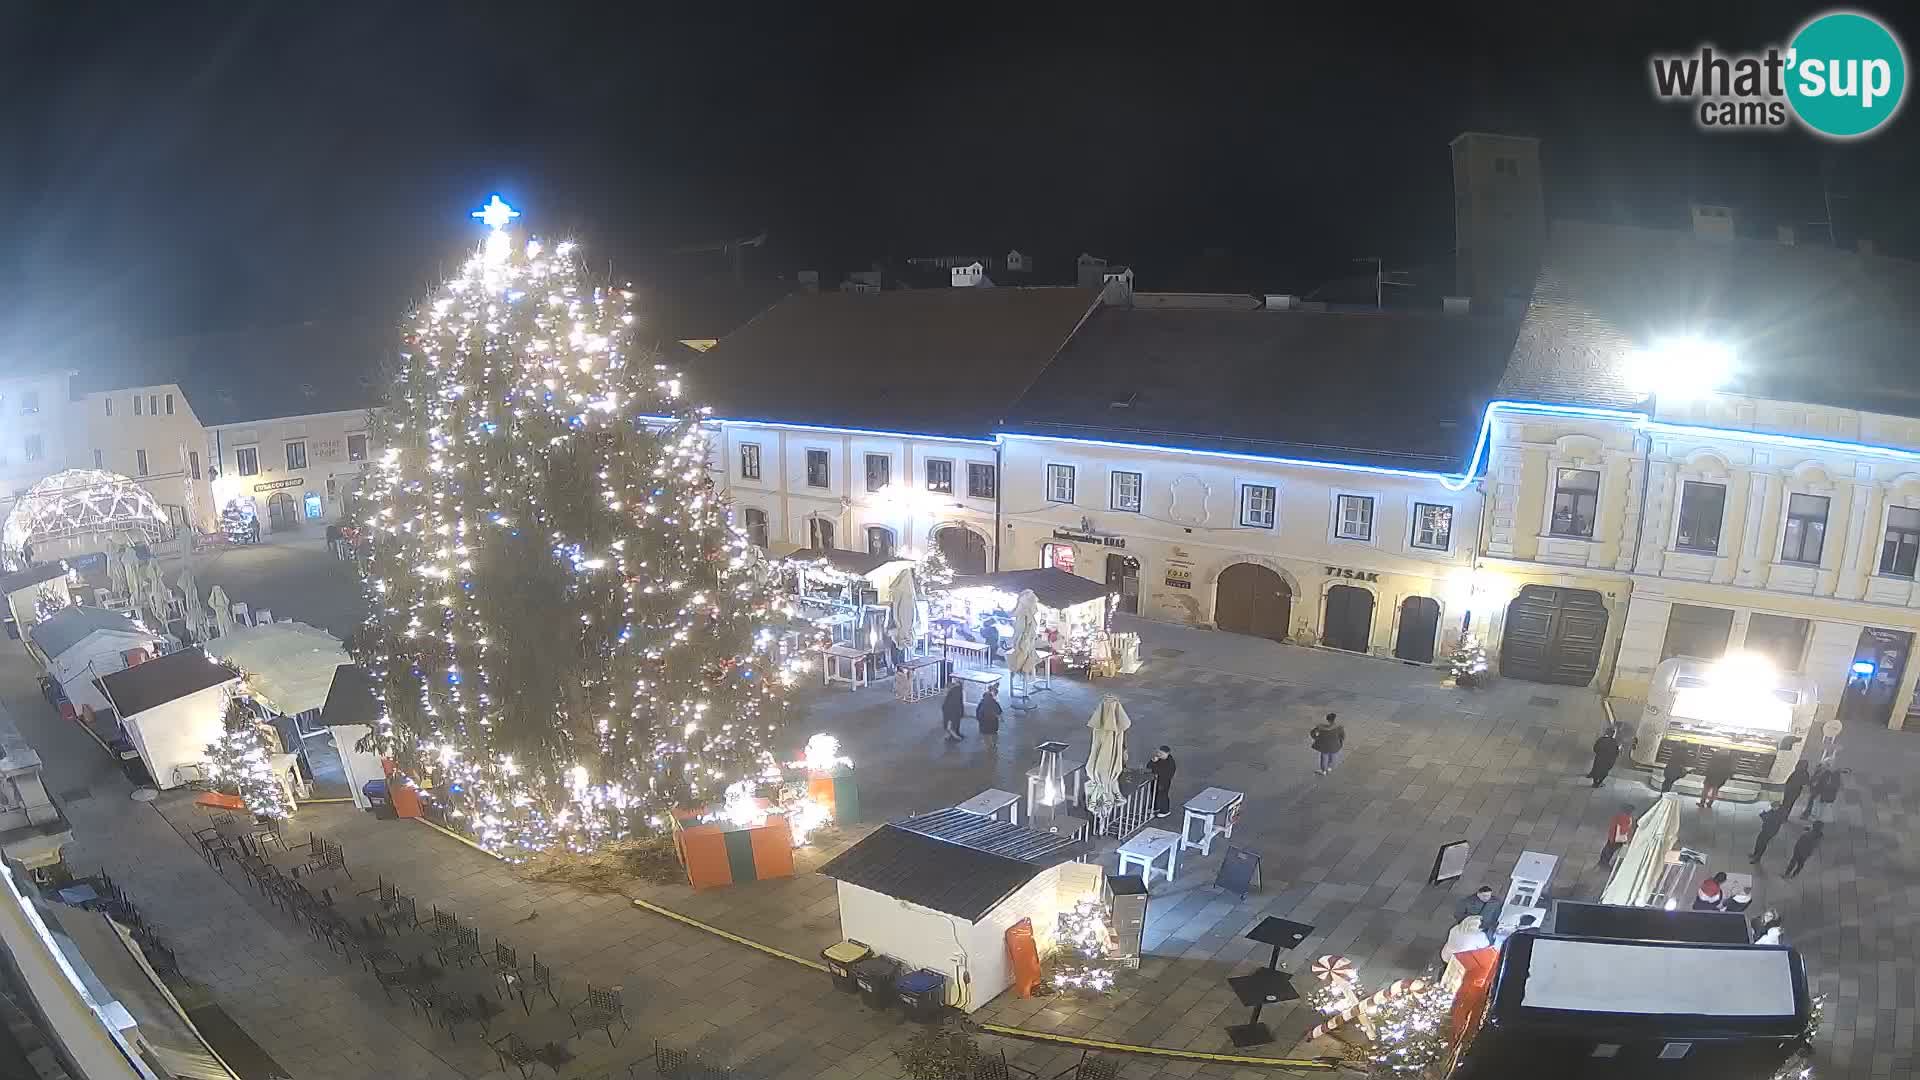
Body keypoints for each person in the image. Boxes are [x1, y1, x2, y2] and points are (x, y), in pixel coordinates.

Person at [1599, 803, 1634, 869]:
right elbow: (1623, 830)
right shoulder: (1625, 819)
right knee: (1610, 850)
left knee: (1608, 849)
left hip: (1612, 837)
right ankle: (1604, 863)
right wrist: (1626, 840)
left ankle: (1602, 862)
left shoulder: (1619, 816)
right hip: (1616, 839)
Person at [1147, 746, 1176, 817]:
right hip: (1155, 780)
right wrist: (1152, 761)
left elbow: (1164, 773)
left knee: (1163, 795)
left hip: (1164, 782)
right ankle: (1155, 807)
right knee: (1154, 793)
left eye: (1161, 753)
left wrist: (1155, 765)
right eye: (1159, 752)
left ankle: (1165, 811)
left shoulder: (1170, 762)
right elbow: (1148, 767)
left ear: (1167, 753)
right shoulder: (1157, 758)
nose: (1159, 754)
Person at [975, 683, 1002, 747]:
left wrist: (979, 720)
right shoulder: (994, 703)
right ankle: (994, 744)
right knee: (993, 734)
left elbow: (978, 713)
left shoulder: (981, 703)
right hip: (993, 723)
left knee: (986, 736)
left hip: (984, 724)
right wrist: (1000, 718)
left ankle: (988, 746)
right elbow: (999, 711)